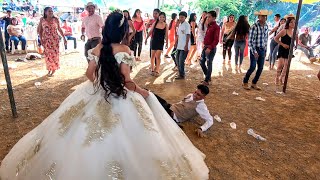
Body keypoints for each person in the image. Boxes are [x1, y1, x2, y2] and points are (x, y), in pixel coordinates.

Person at [0, 11, 209, 179]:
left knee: (74, 132)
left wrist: (101, 86)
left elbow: (89, 74)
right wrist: (143, 92)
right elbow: (127, 81)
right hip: (121, 95)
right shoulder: (124, 49)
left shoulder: (99, 47)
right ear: (121, 31)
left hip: (97, 93)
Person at [243, 10, 271, 90]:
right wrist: (254, 51)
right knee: (252, 67)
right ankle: (245, 81)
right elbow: (250, 41)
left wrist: (265, 50)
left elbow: (266, 39)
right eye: (262, 16)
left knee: (261, 68)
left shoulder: (266, 26)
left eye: (265, 16)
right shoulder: (254, 26)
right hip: (255, 49)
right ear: (259, 17)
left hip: (262, 49)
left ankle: (254, 83)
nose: (264, 17)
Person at [38, 7, 66, 77]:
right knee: (48, 55)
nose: (51, 12)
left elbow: (59, 29)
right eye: (49, 11)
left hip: (54, 39)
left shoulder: (55, 19)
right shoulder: (42, 19)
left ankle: (53, 69)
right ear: (45, 12)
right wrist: (41, 39)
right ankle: (49, 69)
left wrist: (64, 37)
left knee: (55, 54)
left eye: (51, 11)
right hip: (46, 39)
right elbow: (40, 30)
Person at [145, 12, 168, 77]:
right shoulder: (155, 23)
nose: (162, 18)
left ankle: (157, 70)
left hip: (160, 42)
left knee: (158, 57)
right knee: (152, 56)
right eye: (160, 17)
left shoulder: (166, 25)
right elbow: (150, 31)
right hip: (154, 41)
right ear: (158, 17)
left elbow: (166, 35)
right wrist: (146, 38)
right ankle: (152, 69)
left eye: (163, 17)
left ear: (165, 18)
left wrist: (167, 43)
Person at [200, 11, 219, 86]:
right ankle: (208, 76)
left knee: (209, 63)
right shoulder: (209, 25)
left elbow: (216, 40)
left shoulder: (216, 27)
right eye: (207, 17)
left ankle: (207, 80)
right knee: (201, 62)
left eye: (209, 17)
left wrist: (210, 48)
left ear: (214, 18)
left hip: (211, 48)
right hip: (205, 46)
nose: (207, 18)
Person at [274, 18, 296, 85]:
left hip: (289, 50)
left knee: (286, 65)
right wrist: (283, 44)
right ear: (288, 23)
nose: (293, 24)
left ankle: (281, 78)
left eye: (294, 22)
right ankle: (277, 78)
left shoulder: (294, 32)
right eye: (291, 22)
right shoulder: (284, 31)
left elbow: (293, 41)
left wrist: (294, 46)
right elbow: (275, 38)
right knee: (281, 64)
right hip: (282, 49)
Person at [174, 11, 190, 80]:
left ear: (185, 18)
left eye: (182, 17)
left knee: (181, 60)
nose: (180, 18)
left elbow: (188, 35)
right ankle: (180, 73)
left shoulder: (187, 25)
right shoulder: (180, 24)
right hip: (179, 45)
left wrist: (186, 45)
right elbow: (178, 35)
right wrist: (175, 43)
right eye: (180, 17)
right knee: (177, 59)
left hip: (184, 46)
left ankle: (182, 74)